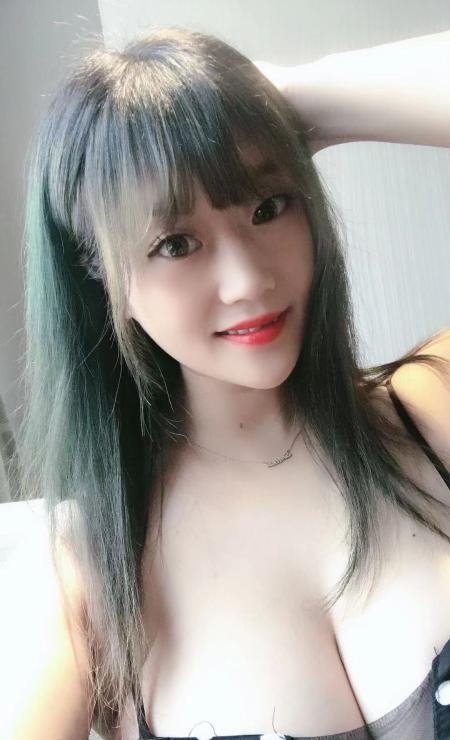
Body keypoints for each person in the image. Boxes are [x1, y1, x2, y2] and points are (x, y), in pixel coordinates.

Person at [2, 24, 450, 740]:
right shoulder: (92, 577)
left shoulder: (433, 403)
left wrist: (294, 99)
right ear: (101, 275)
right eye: (175, 243)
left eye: (269, 205)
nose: (248, 280)